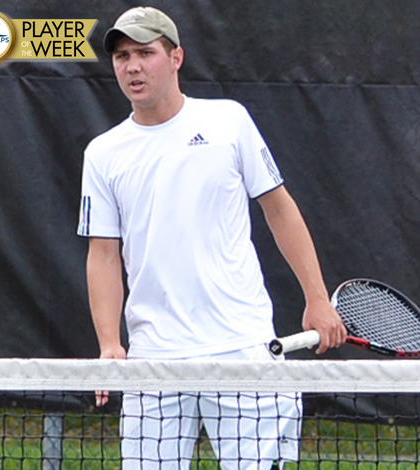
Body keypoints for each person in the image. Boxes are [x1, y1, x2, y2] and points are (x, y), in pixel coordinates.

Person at [78, 6, 346, 469]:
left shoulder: (229, 122)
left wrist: (317, 298)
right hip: (154, 360)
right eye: (122, 56)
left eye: (145, 53)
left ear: (176, 57)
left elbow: (279, 208)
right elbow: (103, 254)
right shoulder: (102, 154)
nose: (133, 67)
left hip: (243, 349)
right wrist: (109, 342)